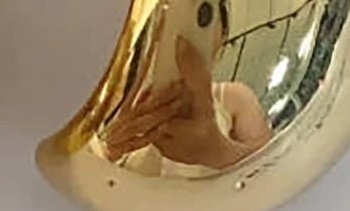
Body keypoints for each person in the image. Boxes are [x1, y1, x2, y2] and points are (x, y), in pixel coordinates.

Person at [103, 31, 271, 173]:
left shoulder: (234, 96)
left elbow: (269, 168)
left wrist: (218, 151)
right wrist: (112, 151)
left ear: (220, 42)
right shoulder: (132, 99)